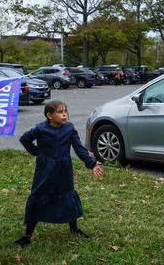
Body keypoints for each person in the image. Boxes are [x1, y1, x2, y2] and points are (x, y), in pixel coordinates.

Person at [14, 100, 103, 247]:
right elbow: (25, 139)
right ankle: (28, 234)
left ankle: (74, 229)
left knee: (67, 195)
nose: (64, 115)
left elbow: (79, 148)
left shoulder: (69, 128)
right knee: (39, 196)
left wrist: (91, 163)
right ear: (49, 115)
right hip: (45, 170)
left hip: (63, 169)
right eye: (60, 112)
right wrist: (38, 152)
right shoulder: (40, 129)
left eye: (65, 111)